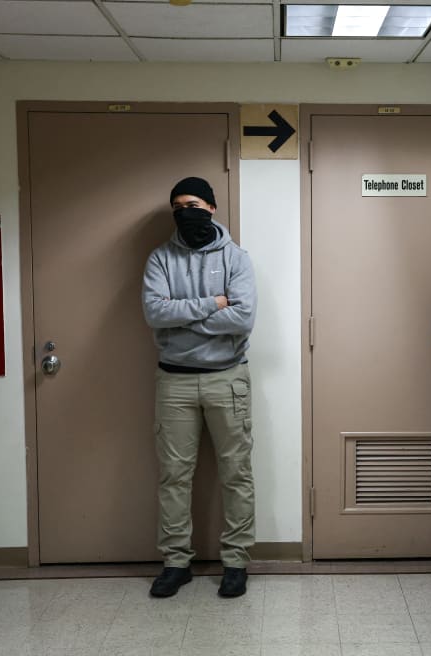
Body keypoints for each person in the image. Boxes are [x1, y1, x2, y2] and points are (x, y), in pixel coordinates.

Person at [142, 177, 257, 599]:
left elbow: (243, 318)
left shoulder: (235, 258)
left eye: (191, 203)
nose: (183, 211)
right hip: (173, 382)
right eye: (176, 206)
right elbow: (155, 312)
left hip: (228, 379)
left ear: (211, 207)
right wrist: (212, 304)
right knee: (174, 476)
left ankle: (236, 562)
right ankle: (176, 563)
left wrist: (183, 315)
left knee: (236, 474)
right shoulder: (160, 259)